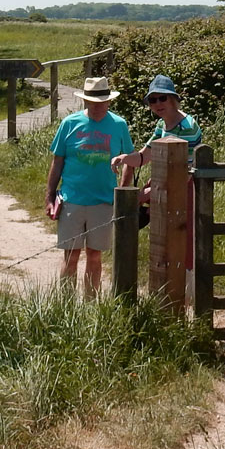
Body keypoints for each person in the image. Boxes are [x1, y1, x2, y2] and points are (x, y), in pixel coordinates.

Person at [46, 76, 135, 297]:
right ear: (85, 101)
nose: (97, 106)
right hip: (71, 199)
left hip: (104, 201)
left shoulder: (119, 125)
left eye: (102, 102)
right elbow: (57, 161)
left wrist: (121, 193)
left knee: (95, 255)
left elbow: (130, 161)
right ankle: (64, 305)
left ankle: (90, 304)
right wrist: (49, 197)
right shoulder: (69, 123)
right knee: (71, 254)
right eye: (92, 101)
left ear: (109, 101)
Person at [111, 74, 201, 273]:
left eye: (163, 98)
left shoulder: (186, 127)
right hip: (164, 192)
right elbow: (144, 157)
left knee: (182, 248)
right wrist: (124, 158)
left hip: (183, 195)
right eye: (153, 100)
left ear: (173, 99)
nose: (158, 104)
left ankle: (186, 299)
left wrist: (149, 193)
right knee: (164, 248)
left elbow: (184, 174)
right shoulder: (162, 125)